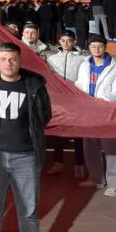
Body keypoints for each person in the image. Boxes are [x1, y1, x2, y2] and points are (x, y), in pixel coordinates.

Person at [0, 42, 52, 232]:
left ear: (20, 60)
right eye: (3, 59)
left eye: (12, 59)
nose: (8, 63)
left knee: (28, 211)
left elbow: (44, 116)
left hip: (26, 156)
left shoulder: (34, 86)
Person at [74, 34, 116, 196]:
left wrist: (102, 100)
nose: (96, 49)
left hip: (107, 112)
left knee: (112, 148)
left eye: (100, 46)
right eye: (93, 46)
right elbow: (79, 84)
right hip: (88, 112)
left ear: (106, 47)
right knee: (90, 146)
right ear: (89, 48)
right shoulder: (85, 65)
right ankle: (96, 178)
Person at [45, 31, 87, 178]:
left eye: (69, 41)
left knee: (78, 133)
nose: (66, 44)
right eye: (63, 41)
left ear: (74, 41)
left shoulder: (82, 59)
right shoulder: (52, 58)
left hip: (76, 100)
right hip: (59, 101)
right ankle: (58, 163)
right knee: (59, 132)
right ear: (59, 42)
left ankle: (79, 165)